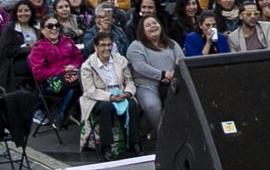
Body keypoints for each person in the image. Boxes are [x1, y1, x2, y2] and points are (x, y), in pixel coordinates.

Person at [78, 32, 144, 160]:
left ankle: (134, 143)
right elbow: (90, 90)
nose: (106, 48)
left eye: (109, 45)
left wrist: (128, 92)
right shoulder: (87, 66)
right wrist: (109, 97)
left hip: (120, 92)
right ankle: (106, 147)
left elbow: (129, 81)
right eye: (102, 45)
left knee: (131, 104)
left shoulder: (120, 60)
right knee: (106, 108)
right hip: (98, 97)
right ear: (95, 47)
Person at [126, 16, 182, 131]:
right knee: (153, 106)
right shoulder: (136, 46)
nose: (153, 26)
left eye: (155, 23)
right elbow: (140, 66)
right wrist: (162, 74)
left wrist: (171, 75)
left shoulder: (172, 44)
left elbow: (181, 62)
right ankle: (161, 133)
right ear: (142, 30)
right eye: (148, 25)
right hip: (147, 85)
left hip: (172, 82)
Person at [30, 16, 85, 126]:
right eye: (50, 26)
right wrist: (60, 70)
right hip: (51, 83)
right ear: (42, 30)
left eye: (57, 25)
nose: (54, 28)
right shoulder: (38, 48)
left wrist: (73, 66)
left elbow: (79, 59)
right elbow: (39, 73)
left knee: (76, 85)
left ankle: (63, 115)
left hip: (73, 76)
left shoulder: (67, 41)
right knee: (79, 81)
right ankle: (67, 113)